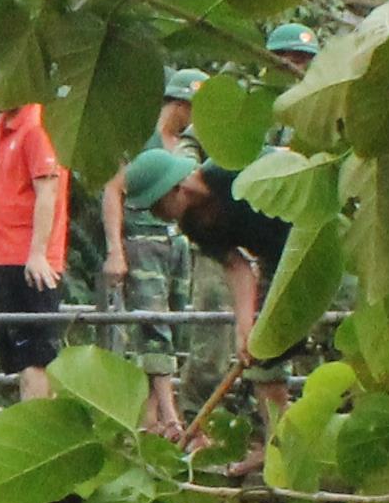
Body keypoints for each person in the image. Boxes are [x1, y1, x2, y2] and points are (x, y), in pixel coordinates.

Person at [120, 147, 298, 431]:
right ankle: (277, 442)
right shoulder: (194, 225)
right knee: (264, 361)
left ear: (175, 189)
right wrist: (244, 327)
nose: (158, 216)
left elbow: (290, 161)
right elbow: (236, 266)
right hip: (275, 263)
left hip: (306, 236)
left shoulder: (228, 168)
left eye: (156, 206)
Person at [102, 70, 202, 434]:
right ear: (180, 105)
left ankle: (151, 418)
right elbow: (113, 189)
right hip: (143, 237)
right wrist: (116, 249)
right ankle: (171, 417)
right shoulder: (141, 138)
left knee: (174, 322)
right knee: (153, 324)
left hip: (178, 240)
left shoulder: (190, 145)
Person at [0, 70, 68, 403]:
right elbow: (0, 190)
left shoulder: (37, 126)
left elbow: (48, 190)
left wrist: (38, 253)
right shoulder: (2, 126)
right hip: (4, 258)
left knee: (36, 357)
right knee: (17, 356)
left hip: (29, 261)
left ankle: (40, 424)